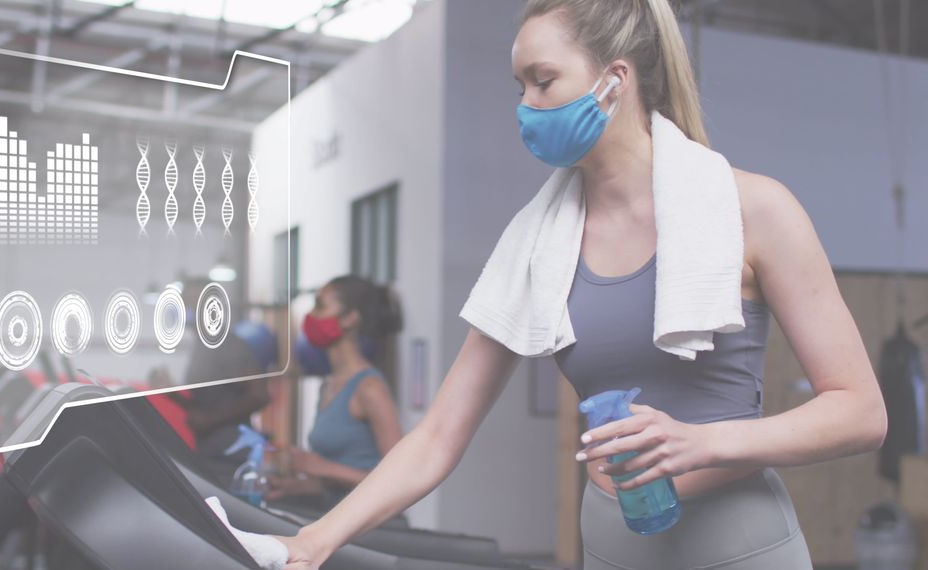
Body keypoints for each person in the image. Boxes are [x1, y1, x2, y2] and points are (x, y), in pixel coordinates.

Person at [274, 1, 888, 569]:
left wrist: (703, 442)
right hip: (609, 543)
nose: (525, 106)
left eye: (543, 81)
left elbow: (860, 412)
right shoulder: (538, 244)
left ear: (613, 80)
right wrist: (312, 540)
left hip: (738, 542)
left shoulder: (754, 209)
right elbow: (436, 436)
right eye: (520, 87)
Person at [268, 275, 405, 511]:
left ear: (350, 319)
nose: (311, 315)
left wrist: (321, 467)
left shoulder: (370, 388)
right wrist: (296, 486)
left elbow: (400, 481)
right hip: (336, 519)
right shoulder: (330, 384)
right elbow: (337, 485)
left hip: (374, 530)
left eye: (321, 306)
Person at [149, 319, 275, 485]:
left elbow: (259, 395)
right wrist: (172, 394)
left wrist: (211, 419)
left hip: (230, 454)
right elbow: (204, 408)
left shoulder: (230, 346)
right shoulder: (201, 346)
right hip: (207, 452)